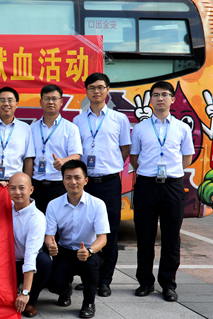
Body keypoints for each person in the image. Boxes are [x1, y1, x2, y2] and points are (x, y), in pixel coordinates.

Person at [130, 81, 194, 302]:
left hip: (173, 186)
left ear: (172, 99)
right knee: (144, 236)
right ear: (150, 99)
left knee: (171, 237)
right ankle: (145, 282)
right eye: (156, 95)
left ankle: (168, 284)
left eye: (164, 95)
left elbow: (187, 157)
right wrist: (149, 171)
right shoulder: (140, 129)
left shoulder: (182, 128)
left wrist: (172, 172)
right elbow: (135, 158)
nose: (160, 99)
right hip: (146, 185)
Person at [73, 72, 131, 297]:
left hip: (109, 182)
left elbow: (124, 149)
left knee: (110, 231)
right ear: (86, 91)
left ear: (107, 90)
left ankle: (105, 280)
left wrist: (110, 165)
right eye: (91, 88)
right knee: (86, 231)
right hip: (86, 184)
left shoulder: (119, 119)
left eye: (100, 87)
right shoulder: (78, 120)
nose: (96, 91)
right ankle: (89, 277)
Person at [45, 160, 109, 319]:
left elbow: (102, 238)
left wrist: (89, 251)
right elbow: (49, 236)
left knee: (90, 265)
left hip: (88, 251)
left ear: (85, 180)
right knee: (53, 284)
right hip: (64, 251)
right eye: (68, 178)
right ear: (63, 180)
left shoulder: (98, 204)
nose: (73, 182)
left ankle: (89, 303)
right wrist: (50, 246)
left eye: (77, 177)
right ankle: (65, 291)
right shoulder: (53, 205)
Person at [29, 84, 82, 213]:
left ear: (61, 102)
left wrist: (63, 161)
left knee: (61, 222)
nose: (50, 102)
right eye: (47, 99)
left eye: (54, 98)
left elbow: (76, 155)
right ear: (40, 102)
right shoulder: (31, 129)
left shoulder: (70, 128)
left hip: (59, 185)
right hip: (36, 185)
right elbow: (28, 158)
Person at [8, 172, 51, 318]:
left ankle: (30, 301)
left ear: (31, 190)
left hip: (26, 263)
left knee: (43, 261)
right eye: (12, 188)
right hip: (6, 264)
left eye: (22, 188)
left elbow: (30, 256)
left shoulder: (37, 219)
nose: (17, 192)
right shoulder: (5, 207)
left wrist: (25, 292)